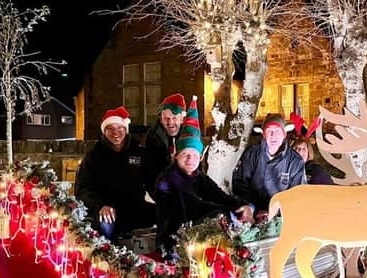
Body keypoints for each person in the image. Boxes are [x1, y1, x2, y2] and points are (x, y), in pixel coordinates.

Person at [155, 96, 254, 258]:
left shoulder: (198, 177)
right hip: (174, 246)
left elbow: (220, 196)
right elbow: (195, 207)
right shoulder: (167, 180)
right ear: (176, 156)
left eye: (194, 155)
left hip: (198, 240)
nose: (190, 159)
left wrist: (245, 207)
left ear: (201, 157)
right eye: (185, 154)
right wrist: (231, 213)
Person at [75, 106, 155, 240]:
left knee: (165, 215)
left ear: (126, 129)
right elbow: (82, 189)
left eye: (120, 128)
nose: (115, 132)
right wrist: (99, 206)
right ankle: (109, 257)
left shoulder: (139, 152)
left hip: (135, 206)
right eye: (110, 128)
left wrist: (165, 200)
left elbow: (152, 182)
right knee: (106, 225)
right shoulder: (94, 156)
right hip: (107, 209)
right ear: (104, 131)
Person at [232, 113, 306, 220]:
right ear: (263, 134)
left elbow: (298, 194)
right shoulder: (252, 154)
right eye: (269, 131)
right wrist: (250, 207)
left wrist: (274, 211)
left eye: (277, 131)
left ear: (284, 134)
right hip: (251, 214)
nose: (273, 135)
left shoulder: (295, 161)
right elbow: (240, 183)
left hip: (281, 217)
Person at [145, 93, 186, 178]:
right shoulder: (153, 136)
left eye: (174, 118)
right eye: (166, 118)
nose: (170, 122)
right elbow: (151, 168)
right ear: (161, 120)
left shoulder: (190, 135)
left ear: (182, 119)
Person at [288, 113, 333, 185]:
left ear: (309, 152)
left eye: (303, 149)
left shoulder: (318, 172)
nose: (300, 151)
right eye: (297, 148)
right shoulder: (285, 170)